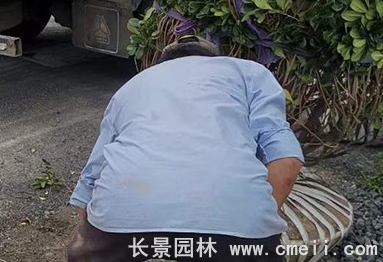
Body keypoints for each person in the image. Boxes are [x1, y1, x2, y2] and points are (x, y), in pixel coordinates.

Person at [67, 36, 304, 262]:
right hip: (236, 218)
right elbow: (286, 158)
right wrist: (254, 216)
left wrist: (94, 237)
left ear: (164, 63)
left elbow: (89, 183)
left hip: (122, 211)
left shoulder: (133, 85)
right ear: (214, 59)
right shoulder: (248, 72)